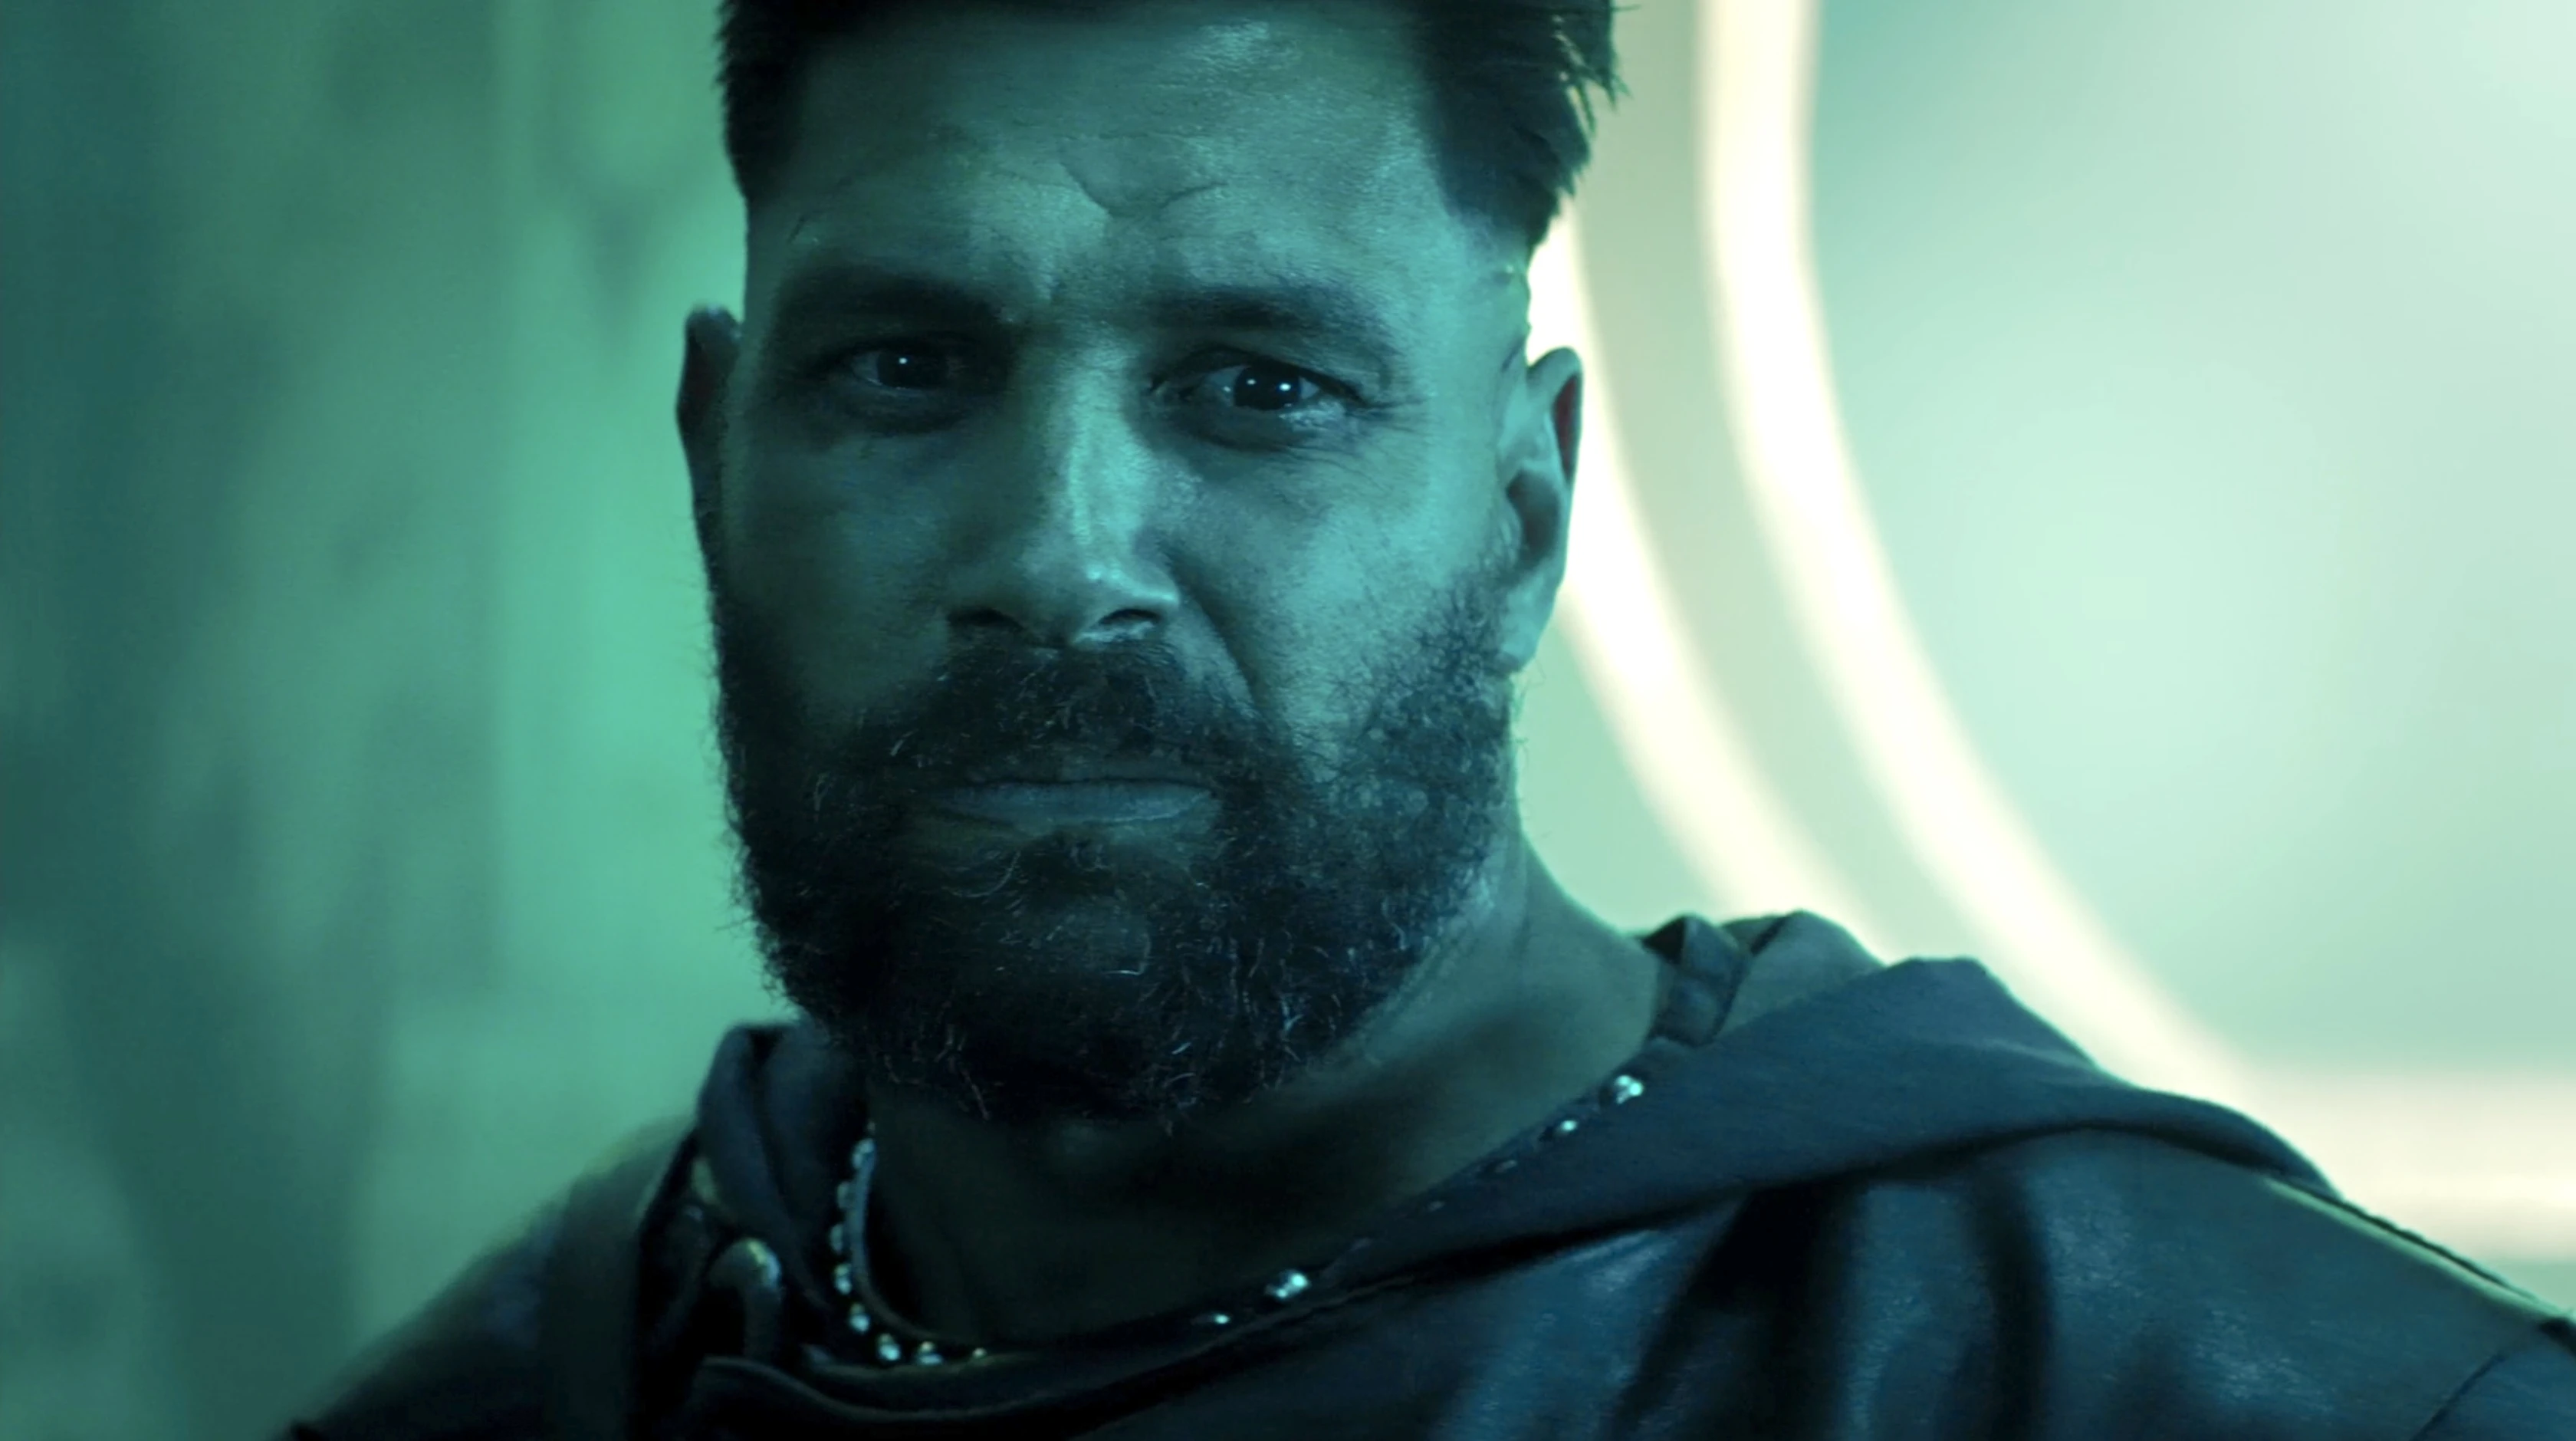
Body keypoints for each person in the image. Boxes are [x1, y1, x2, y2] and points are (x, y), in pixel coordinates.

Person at [284, 1, 2575, 1436]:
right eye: (904, 369)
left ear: (1523, 511)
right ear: (717, 463)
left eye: (1258, 387)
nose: (1060, 552)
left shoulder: (2210, 1385)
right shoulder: (548, 1381)